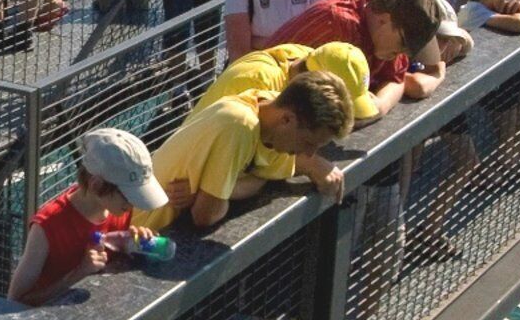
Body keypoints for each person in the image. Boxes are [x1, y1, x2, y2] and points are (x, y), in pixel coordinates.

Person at [136, 44, 359, 234]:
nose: (309, 155)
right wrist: (210, 196)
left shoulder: (271, 111)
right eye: (309, 144)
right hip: (140, 228)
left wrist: (210, 191)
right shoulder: (240, 124)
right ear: (287, 120)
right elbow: (205, 215)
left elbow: (263, 179)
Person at [6, 126, 168, 305]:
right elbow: (15, 300)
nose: (133, 204)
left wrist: (133, 247)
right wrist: (78, 274)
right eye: (128, 195)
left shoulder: (118, 208)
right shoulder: (47, 227)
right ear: (96, 185)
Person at [260, 0, 444, 113]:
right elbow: (282, 90)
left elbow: (396, 79)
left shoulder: (390, 32)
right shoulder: (335, 25)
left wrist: (380, 105)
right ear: (384, 18)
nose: (404, 52)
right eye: (403, 43)